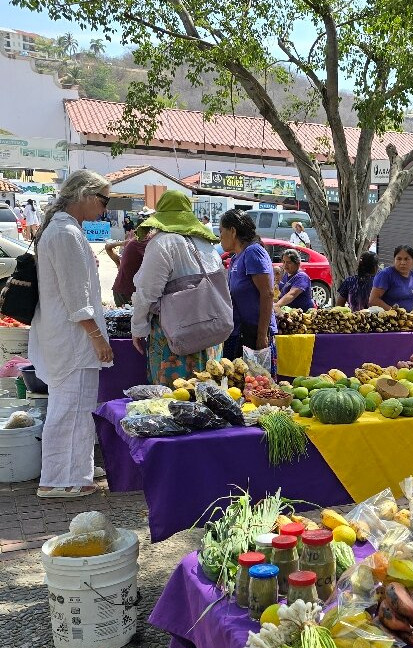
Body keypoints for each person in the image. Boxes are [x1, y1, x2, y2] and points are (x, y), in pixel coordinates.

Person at [27, 170, 114, 499]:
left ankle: (75, 471)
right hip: (74, 339)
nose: (104, 209)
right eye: (103, 200)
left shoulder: (63, 229)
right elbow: (76, 298)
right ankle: (60, 479)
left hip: (69, 337)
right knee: (71, 408)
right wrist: (96, 337)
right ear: (86, 196)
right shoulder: (65, 232)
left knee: (73, 407)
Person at [129, 191, 226, 385]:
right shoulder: (206, 244)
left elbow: (147, 293)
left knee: (174, 401)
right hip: (209, 332)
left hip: (175, 335)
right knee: (208, 396)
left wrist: (138, 328)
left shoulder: (162, 243)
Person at [219, 209, 276, 371]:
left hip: (253, 333)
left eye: (221, 231)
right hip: (237, 332)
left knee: (257, 385)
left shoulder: (253, 251)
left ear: (233, 231)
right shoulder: (236, 257)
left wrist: (262, 335)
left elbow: (267, 294)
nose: (220, 237)